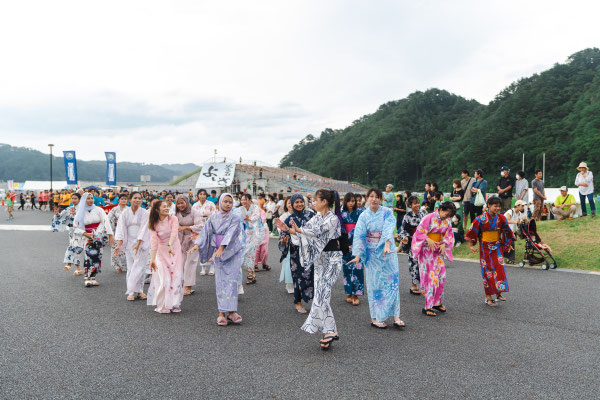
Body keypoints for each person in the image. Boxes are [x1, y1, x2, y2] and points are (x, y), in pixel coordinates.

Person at [276, 189, 345, 350]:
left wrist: (298, 230)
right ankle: (330, 331)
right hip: (320, 260)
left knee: (322, 295)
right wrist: (288, 229)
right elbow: (303, 233)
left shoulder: (333, 218)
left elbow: (315, 232)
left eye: (315, 200)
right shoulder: (317, 217)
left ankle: (330, 331)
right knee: (321, 296)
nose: (312, 203)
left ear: (324, 202)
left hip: (332, 260)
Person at [348, 188, 405, 330]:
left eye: (377, 196)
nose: (374, 199)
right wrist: (358, 255)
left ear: (381, 199)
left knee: (392, 283)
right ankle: (375, 318)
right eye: (371, 196)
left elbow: (388, 229)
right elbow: (359, 236)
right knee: (375, 284)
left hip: (387, 251)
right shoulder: (363, 216)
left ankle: (396, 316)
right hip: (372, 253)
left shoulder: (387, 212)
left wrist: (387, 243)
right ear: (367, 198)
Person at [190, 193, 245, 326]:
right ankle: (221, 313)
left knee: (232, 282)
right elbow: (206, 232)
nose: (228, 204)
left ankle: (232, 312)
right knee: (221, 282)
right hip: (219, 255)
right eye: (225, 201)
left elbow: (231, 233)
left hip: (232, 252)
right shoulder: (213, 218)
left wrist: (221, 248)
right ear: (220, 202)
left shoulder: (235, 218)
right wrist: (197, 244)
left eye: (230, 202)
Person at [466, 196, 515, 306]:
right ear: (488, 205)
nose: (497, 208)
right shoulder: (480, 219)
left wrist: (508, 244)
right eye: (495, 206)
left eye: (499, 206)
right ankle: (488, 296)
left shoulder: (501, 218)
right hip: (485, 248)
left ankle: (498, 293)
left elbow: (507, 231)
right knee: (487, 272)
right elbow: (472, 232)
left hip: (497, 247)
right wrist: (471, 245)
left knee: (500, 269)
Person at [411, 202, 456, 317]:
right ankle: (428, 306)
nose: (447, 216)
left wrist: (444, 243)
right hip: (427, 252)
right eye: (447, 213)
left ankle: (437, 303)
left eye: (450, 215)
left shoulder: (447, 221)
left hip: (438, 252)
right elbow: (419, 232)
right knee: (431, 278)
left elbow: (449, 235)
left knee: (441, 277)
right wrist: (427, 239)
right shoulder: (429, 217)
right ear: (440, 209)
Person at [278, 193, 316, 313]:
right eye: (296, 202)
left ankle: (315, 302)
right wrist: (283, 242)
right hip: (296, 252)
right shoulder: (289, 219)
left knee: (312, 275)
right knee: (297, 276)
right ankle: (298, 302)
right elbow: (283, 236)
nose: (299, 204)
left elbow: (317, 232)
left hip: (310, 251)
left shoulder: (311, 215)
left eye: (301, 202)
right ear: (292, 204)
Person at [147, 200, 184, 314]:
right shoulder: (153, 223)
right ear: (157, 210)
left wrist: (170, 244)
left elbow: (174, 233)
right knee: (164, 278)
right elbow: (154, 242)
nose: (167, 208)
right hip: (161, 252)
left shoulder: (173, 219)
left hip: (174, 249)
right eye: (164, 207)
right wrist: (152, 259)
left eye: (167, 206)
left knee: (176, 276)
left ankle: (174, 303)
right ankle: (163, 304)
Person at [114, 192, 149, 301]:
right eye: (135, 198)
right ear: (130, 200)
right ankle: (131, 291)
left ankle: (140, 290)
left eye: (139, 198)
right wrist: (119, 245)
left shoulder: (145, 213)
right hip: (129, 242)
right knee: (131, 267)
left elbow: (144, 229)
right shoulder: (125, 213)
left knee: (140, 267)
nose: (137, 200)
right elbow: (120, 229)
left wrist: (138, 244)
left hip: (142, 243)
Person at [73, 192, 114, 287]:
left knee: (98, 256)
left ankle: (93, 277)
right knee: (88, 256)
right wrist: (86, 234)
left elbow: (105, 221)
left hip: (98, 235)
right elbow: (75, 226)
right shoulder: (80, 212)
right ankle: (87, 278)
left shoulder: (99, 210)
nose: (90, 200)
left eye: (92, 198)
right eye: (88, 198)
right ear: (84, 200)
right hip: (86, 236)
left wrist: (110, 234)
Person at [398, 195, 429, 295]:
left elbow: (430, 225)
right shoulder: (407, 216)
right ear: (410, 205)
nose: (417, 205)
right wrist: (405, 237)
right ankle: (414, 285)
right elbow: (403, 230)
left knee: (425, 263)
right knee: (414, 264)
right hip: (414, 243)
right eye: (415, 203)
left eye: (418, 203)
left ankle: (426, 285)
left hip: (424, 242)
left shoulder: (424, 213)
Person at [175, 194, 204, 296]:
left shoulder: (194, 212)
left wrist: (187, 227)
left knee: (190, 262)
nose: (180, 205)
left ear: (186, 202)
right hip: (181, 239)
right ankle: (181, 284)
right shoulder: (176, 213)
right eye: (178, 203)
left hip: (193, 238)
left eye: (182, 203)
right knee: (181, 262)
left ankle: (188, 286)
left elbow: (200, 226)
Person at [340, 192, 364, 306]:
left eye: (353, 201)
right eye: (349, 201)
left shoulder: (360, 213)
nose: (351, 203)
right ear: (345, 202)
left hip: (357, 244)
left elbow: (362, 228)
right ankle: (348, 292)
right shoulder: (341, 214)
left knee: (357, 269)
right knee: (346, 269)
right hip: (345, 244)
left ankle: (356, 294)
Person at [51, 192, 83, 274]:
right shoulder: (69, 209)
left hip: (81, 230)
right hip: (72, 230)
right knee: (75, 248)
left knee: (73, 246)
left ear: (79, 199)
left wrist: (77, 214)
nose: (73, 200)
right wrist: (57, 213)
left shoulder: (83, 209)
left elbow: (87, 219)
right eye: (72, 198)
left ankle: (68, 263)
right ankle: (78, 268)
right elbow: (60, 217)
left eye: (75, 198)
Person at [192, 189, 218, 275]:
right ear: (198, 195)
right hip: (199, 228)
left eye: (204, 194)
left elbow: (215, 215)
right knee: (201, 247)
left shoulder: (211, 204)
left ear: (206, 195)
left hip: (210, 227)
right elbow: (193, 216)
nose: (202, 196)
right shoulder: (195, 205)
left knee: (211, 246)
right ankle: (203, 267)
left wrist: (208, 216)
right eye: (200, 194)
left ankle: (212, 267)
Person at [238, 194, 261, 284]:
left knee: (250, 252)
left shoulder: (255, 207)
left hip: (255, 233)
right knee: (247, 253)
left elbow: (256, 216)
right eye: (242, 200)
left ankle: (251, 273)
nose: (243, 201)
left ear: (250, 200)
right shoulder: (240, 209)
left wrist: (249, 219)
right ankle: (251, 272)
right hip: (244, 234)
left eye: (245, 199)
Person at [107, 193, 129, 273]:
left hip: (127, 231)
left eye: (125, 199)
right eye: (122, 199)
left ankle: (126, 265)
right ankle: (118, 266)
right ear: (119, 200)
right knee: (116, 248)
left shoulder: (129, 209)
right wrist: (111, 232)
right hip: (116, 231)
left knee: (126, 249)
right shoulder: (114, 209)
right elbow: (109, 219)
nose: (123, 200)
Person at [278, 197, 294, 294]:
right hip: (288, 241)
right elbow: (280, 229)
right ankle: (289, 284)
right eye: (289, 203)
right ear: (286, 205)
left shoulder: (301, 215)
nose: (291, 205)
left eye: (293, 203)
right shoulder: (283, 216)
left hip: (299, 241)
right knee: (288, 262)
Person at [503, 199, 527, 264]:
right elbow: (506, 221)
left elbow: (518, 222)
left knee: (510, 245)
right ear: (517, 206)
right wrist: (515, 222)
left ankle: (508, 259)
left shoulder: (519, 213)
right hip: (506, 231)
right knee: (511, 244)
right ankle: (509, 259)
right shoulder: (510, 211)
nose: (523, 207)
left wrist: (522, 221)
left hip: (512, 231)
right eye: (522, 206)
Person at [254, 205, 271, 272]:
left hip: (264, 230)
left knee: (264, 250)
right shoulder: (249, 211)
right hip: (254, 231)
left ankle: (264, 263)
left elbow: (263, 219)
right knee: (256, 249)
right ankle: (255, 265)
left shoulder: (261, 211)